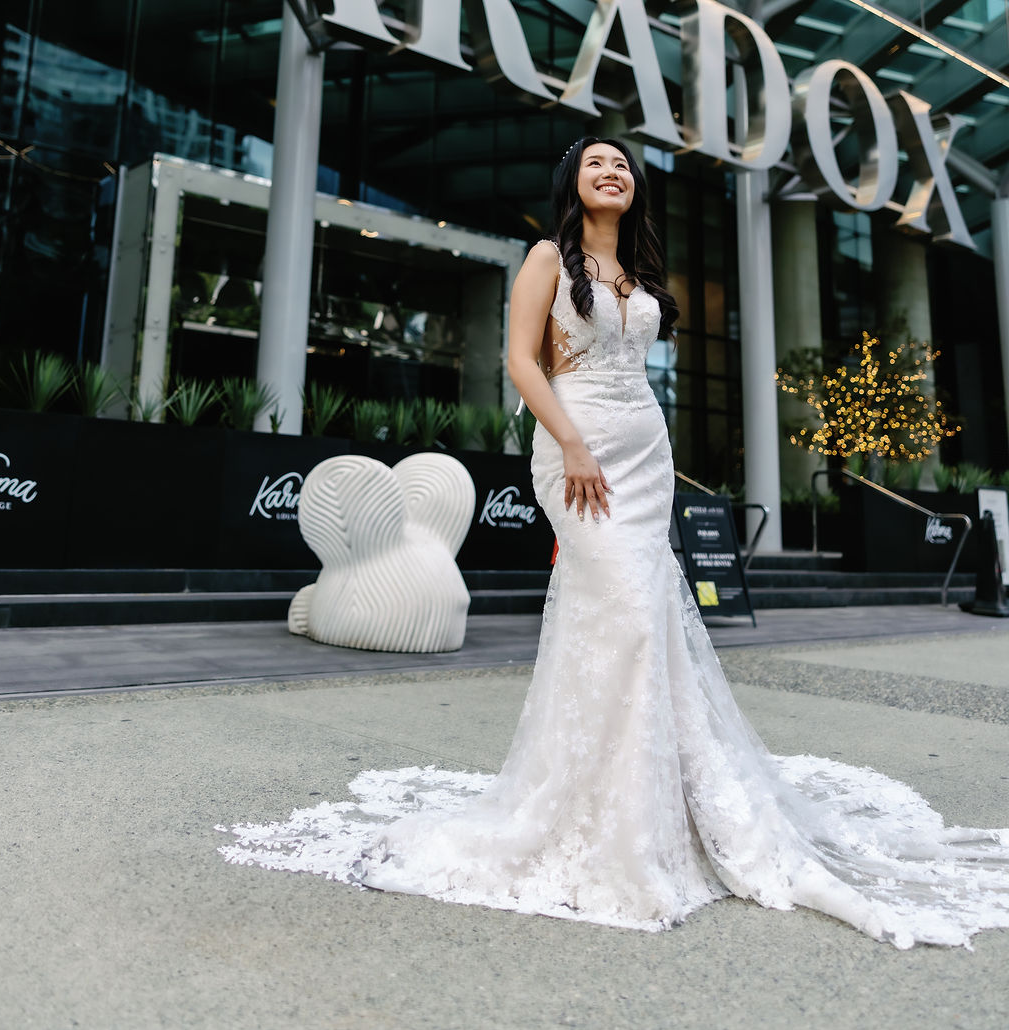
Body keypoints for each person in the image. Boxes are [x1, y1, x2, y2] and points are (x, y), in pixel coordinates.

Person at [220, 136, 1009, 948]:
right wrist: (570, 442)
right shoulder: (545, 258)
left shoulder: (637, 277)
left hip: (644, 458)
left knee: (642, 619)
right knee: (629, 614)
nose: (612, 172)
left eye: (624, 165)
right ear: (573, 181)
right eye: (597, 163)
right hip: (577, 449)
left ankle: (651, 792)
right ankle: (607, 816)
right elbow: (522, 363)